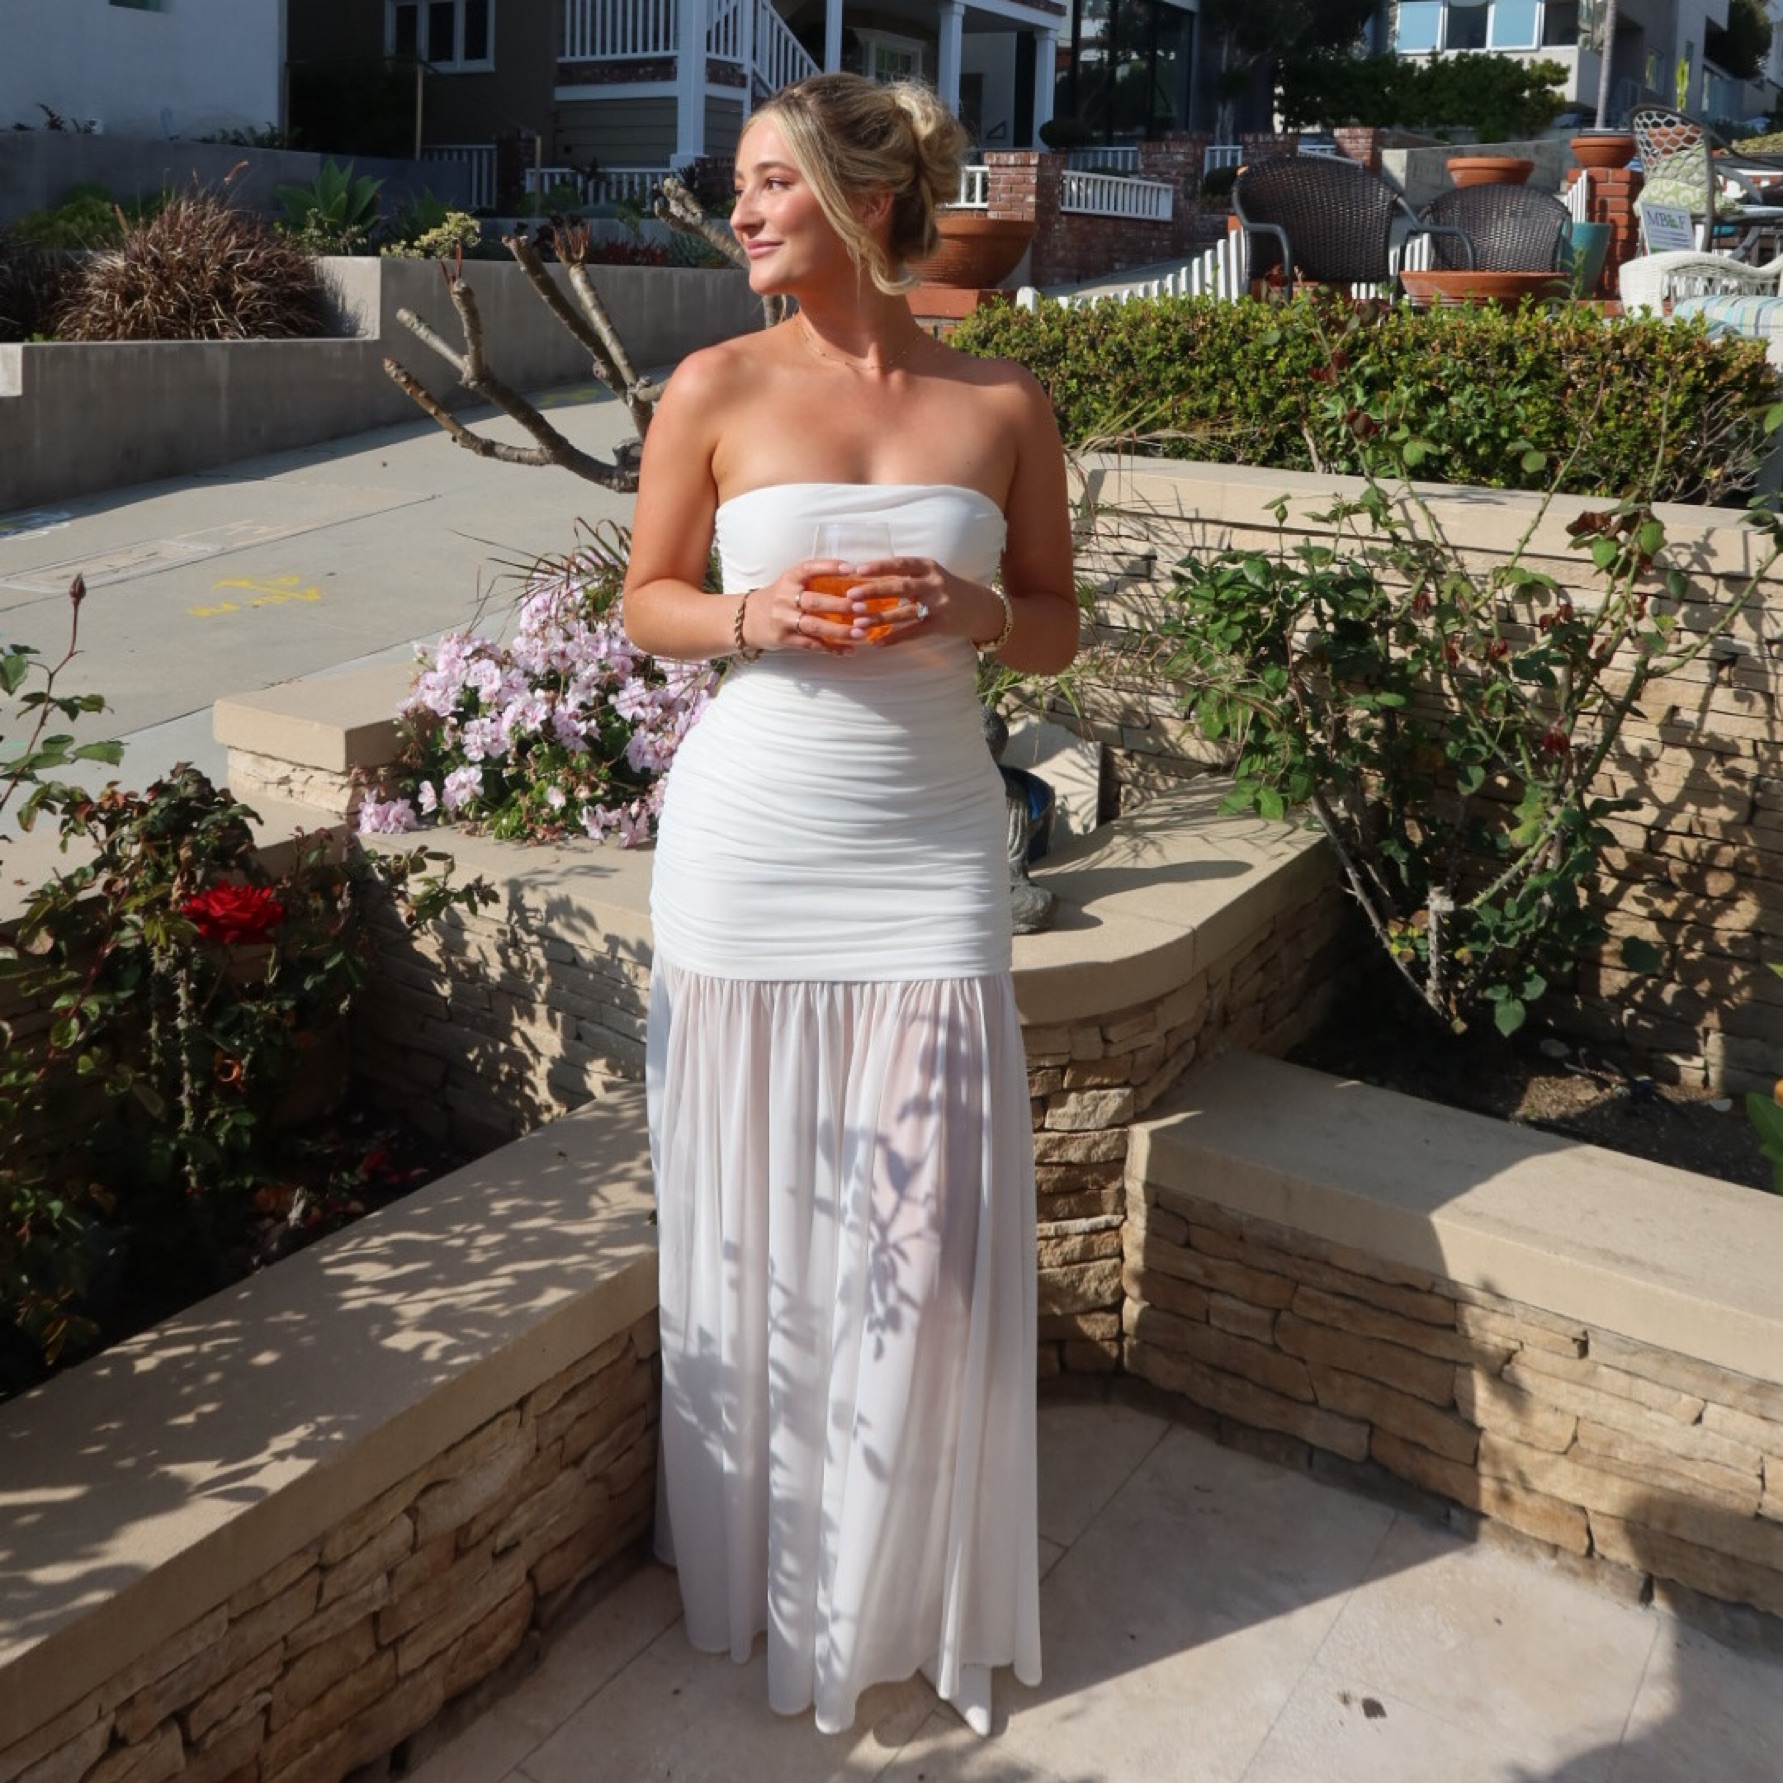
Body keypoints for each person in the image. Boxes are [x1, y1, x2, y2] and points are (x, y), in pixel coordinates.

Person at [621, 71, 1077, 1738]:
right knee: (758, 1221)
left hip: (933, 851)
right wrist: (752, 621)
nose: (739, 212)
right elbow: (646, 600)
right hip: (751, 844)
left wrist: (972, 605)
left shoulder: (1005, 401)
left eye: (769, 183)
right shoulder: (714, 386)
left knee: (928, 1245)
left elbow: (1056, 625)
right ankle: (775, 1572)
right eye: (738, 186)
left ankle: (896, 1590)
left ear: (867, 203)